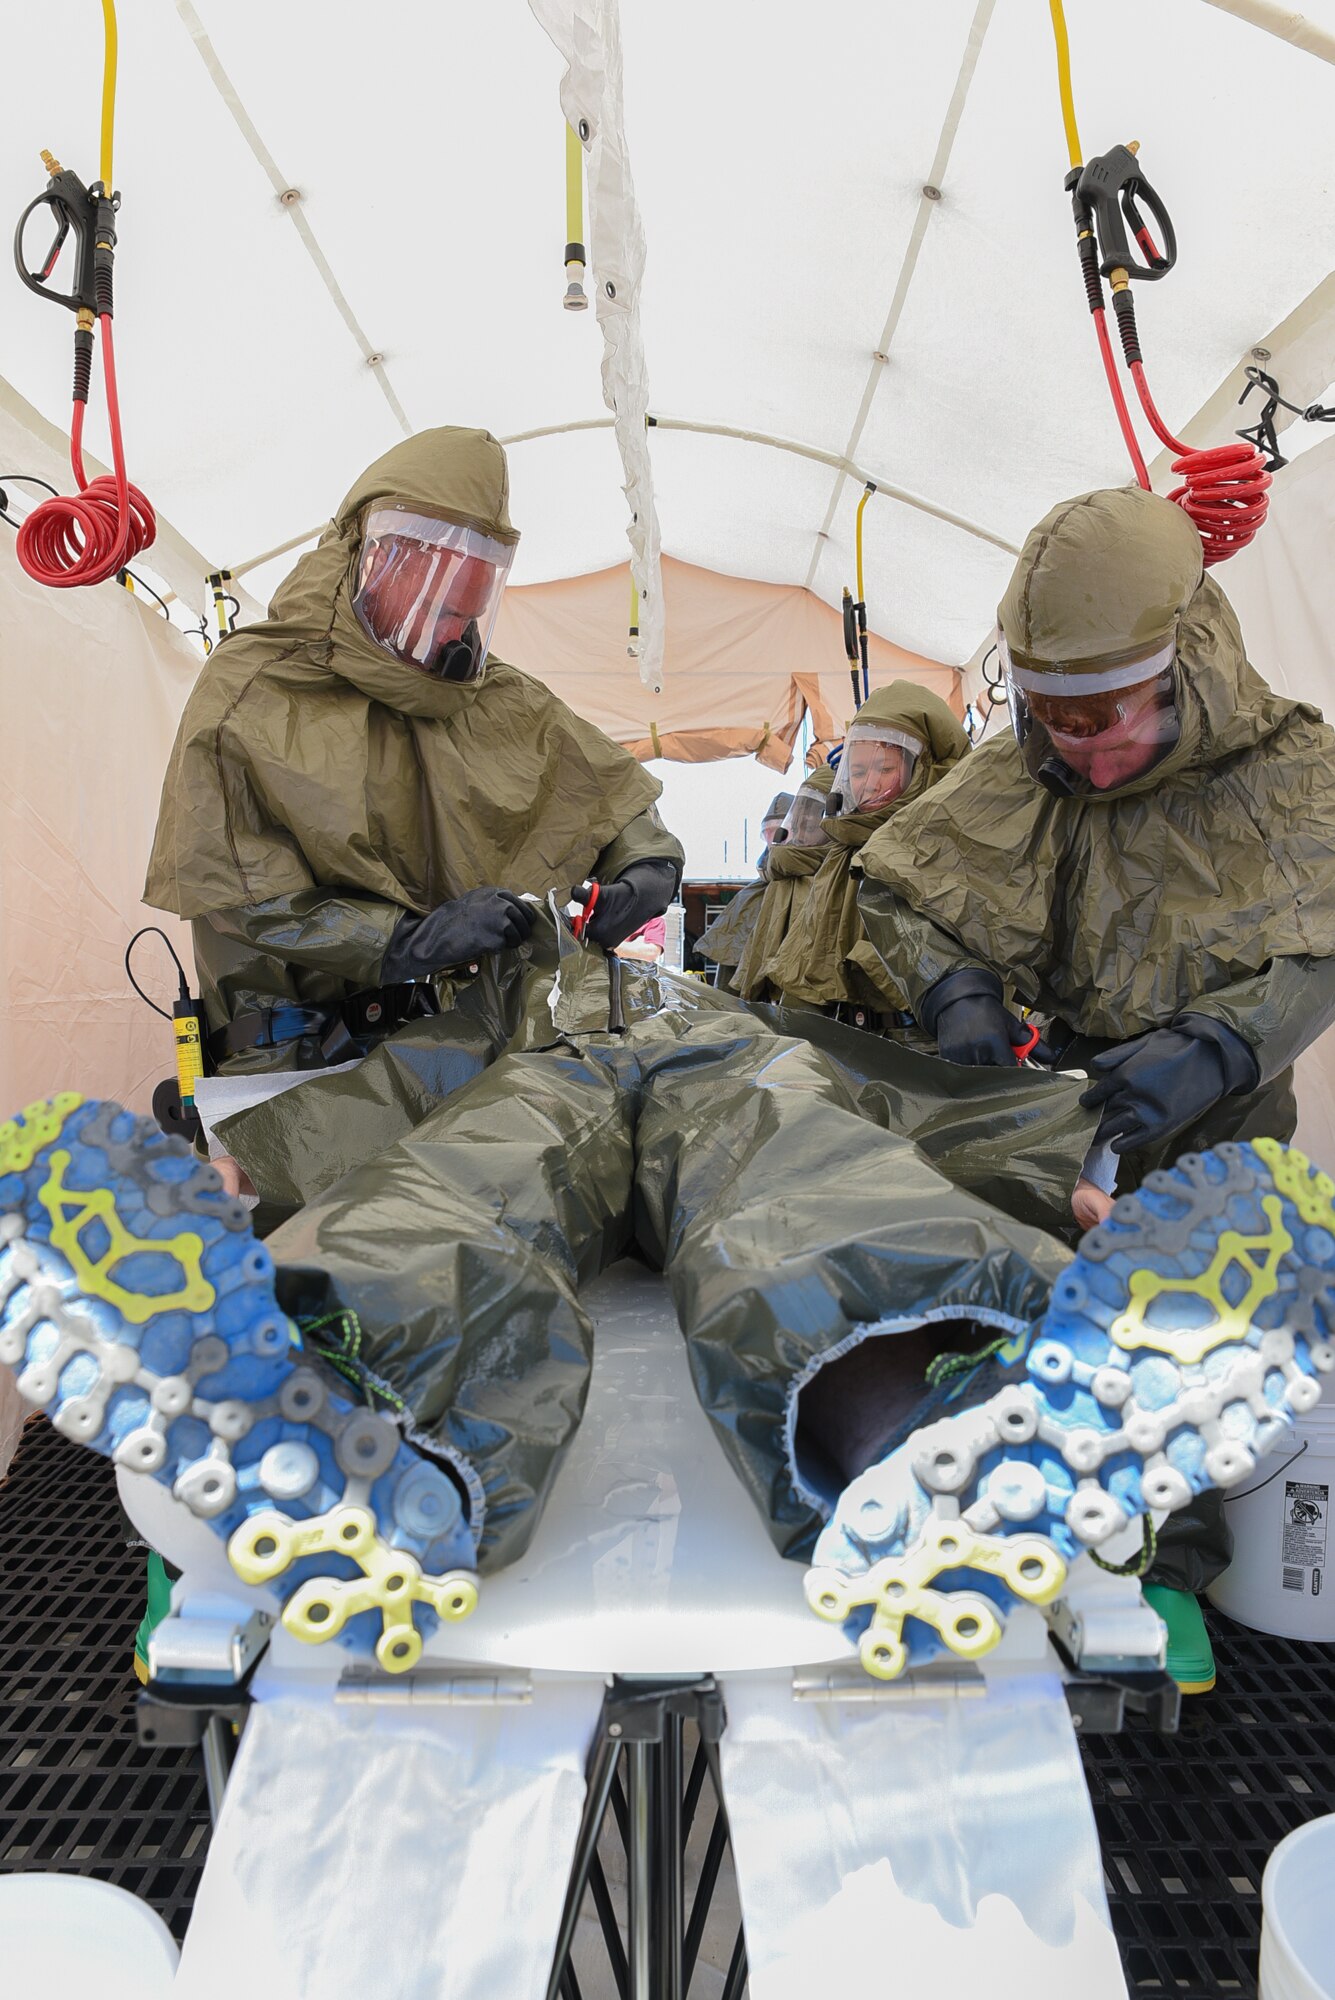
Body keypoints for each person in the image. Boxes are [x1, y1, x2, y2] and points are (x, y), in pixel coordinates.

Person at [854, 484, 1335, 1687]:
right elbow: (900, 885)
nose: (1080, 743)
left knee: (1194, 1337)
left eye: (1108, 711)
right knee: (1040, 1327)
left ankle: (1170, 1578)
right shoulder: (1022, 777)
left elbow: (1322, 936)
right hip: (1069, 1098)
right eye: (1053, 713)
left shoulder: (1293, 772)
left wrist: (1226, 1040)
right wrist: (957, 995)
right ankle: (1032, 1545)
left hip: (1223, 1101)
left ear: (1187, 665)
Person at [144, 426, 685, 1091]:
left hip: (451, 1053)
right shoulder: (255, 687)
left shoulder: (491, 695)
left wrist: (646, 868)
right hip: (296, 1067)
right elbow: (241, 894)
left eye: (468, 608)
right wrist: (405, 942)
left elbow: (604, 795)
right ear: (371, 558)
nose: (451, 630)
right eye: (435, 601)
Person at [763, 683, 968, 1030]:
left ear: (926, 767)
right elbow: (810, 959)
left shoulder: (952, 845)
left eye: (884, 768)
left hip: (928, 1049)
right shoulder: (842, 854)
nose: (869, 783)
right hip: (851, 1044)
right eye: (857, 772)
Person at [731, 764, 835, 1001]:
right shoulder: (761, 889)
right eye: (769, 833)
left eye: (809, 825)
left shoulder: (840, 875)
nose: (776, 839)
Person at [694, 789, 793, 989]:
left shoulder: (815, 883)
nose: (774, 840)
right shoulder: (750, 894)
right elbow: (727, 986)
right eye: (769, 832)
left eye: (780, 831)